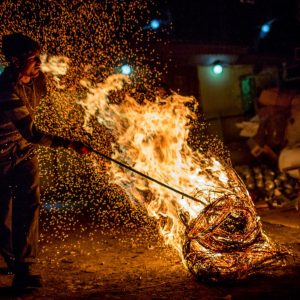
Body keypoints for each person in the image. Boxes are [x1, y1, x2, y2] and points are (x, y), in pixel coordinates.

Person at [0, 33, 89, 289]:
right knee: (3, 213)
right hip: (0, 156)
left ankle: (24, 267)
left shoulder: (38, 82)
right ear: (17, 61)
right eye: (33, 58)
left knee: (29, 203)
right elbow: (32, 132)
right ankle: (11, 261)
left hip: (24, 151)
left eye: (39, 57)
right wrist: (69, 144)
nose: (39, 62)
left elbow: (49, 111)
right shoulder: (5, 89)